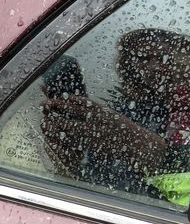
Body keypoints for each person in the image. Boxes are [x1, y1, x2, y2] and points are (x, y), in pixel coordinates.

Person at [41, 28, 190, 208]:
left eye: (163, 58)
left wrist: (137, 142)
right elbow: (97, 181)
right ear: (125, 65)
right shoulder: (107, 114)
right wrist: (68, 165)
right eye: (143, 58)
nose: (155, 67)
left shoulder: (178, 114)